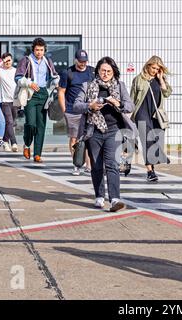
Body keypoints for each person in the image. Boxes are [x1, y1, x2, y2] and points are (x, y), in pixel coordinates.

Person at [73, 56, 136, 212]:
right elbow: (76, 105)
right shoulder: (88, 85)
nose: (106, 74)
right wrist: (91, 105)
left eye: (109, 71)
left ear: (113, 72)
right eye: (103, 71)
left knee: (112, 164)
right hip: (93, 130)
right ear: (98, 71)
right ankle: (99, 196)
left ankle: (115, 199)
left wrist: (117, 103)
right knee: (96, 165)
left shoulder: (120, 86)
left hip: (114, 130)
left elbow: (130, 106)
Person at [15, 37, 59, 163]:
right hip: (30, 94)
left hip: (44, 93)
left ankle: (37, 154)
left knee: (41, 125)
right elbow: (17, 77)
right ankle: (27, 144)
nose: (39, 52)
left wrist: (56, 82)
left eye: (41, 50)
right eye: (37, 50)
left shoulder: (47, 61)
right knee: (31, 123)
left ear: (44, 50)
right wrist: (29, 83)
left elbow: (54, 75)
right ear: (33, 50)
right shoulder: (26, 60)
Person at [130, 56, 172, 182]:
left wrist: (161, 79)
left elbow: (167, 93)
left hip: (156, 114)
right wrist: (128, 118)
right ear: (147, 66)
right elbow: (132, 99)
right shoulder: (138, 79)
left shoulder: (160, 79)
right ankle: (150, 171)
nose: (154, 70)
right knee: (147, 140)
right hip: (141, 113)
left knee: (157, 139)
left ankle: (158, 153)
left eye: (157, 69)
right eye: (153, 68)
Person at [58, 49, 93, 175]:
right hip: (72, 110)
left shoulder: (91, 72)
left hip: (88, 110)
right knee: (74, 139)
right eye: (80, 61)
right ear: (75, 60)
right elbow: (61, 92)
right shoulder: (67, 72)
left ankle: (89, 166)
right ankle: (77, 164)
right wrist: (64, 110)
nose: (83, 64)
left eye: (84, 61)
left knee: (88, 138)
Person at [0, 52, 18, 152]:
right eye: (6, 60)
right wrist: (2, 62)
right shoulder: (0, 71)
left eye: (9, 60)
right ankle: (14, 142)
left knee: (11, 123)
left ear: (12, 61)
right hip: (5, 101)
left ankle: (5, 141)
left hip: (15, 101)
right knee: (9, 122)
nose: (8, 62)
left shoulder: (16, 71)